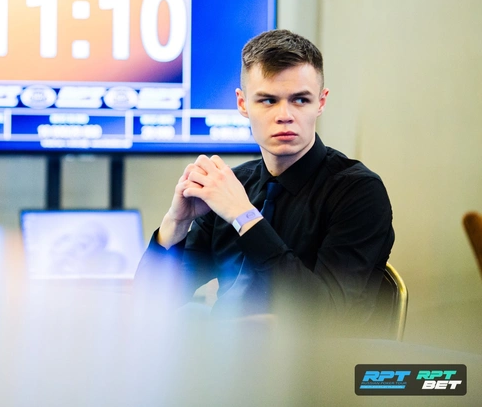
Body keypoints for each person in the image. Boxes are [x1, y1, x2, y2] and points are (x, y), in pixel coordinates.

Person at [134, 29, 394, 324]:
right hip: (224, 349)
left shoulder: (358, 191)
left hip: (314, 353)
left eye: (300, 100)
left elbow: (325, 315)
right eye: (268, 101)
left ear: (320, 103)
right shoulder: (231, 187)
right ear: (243, 104)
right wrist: (176, 222)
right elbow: (150, 303)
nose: (285, 115)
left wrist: (244, 217)